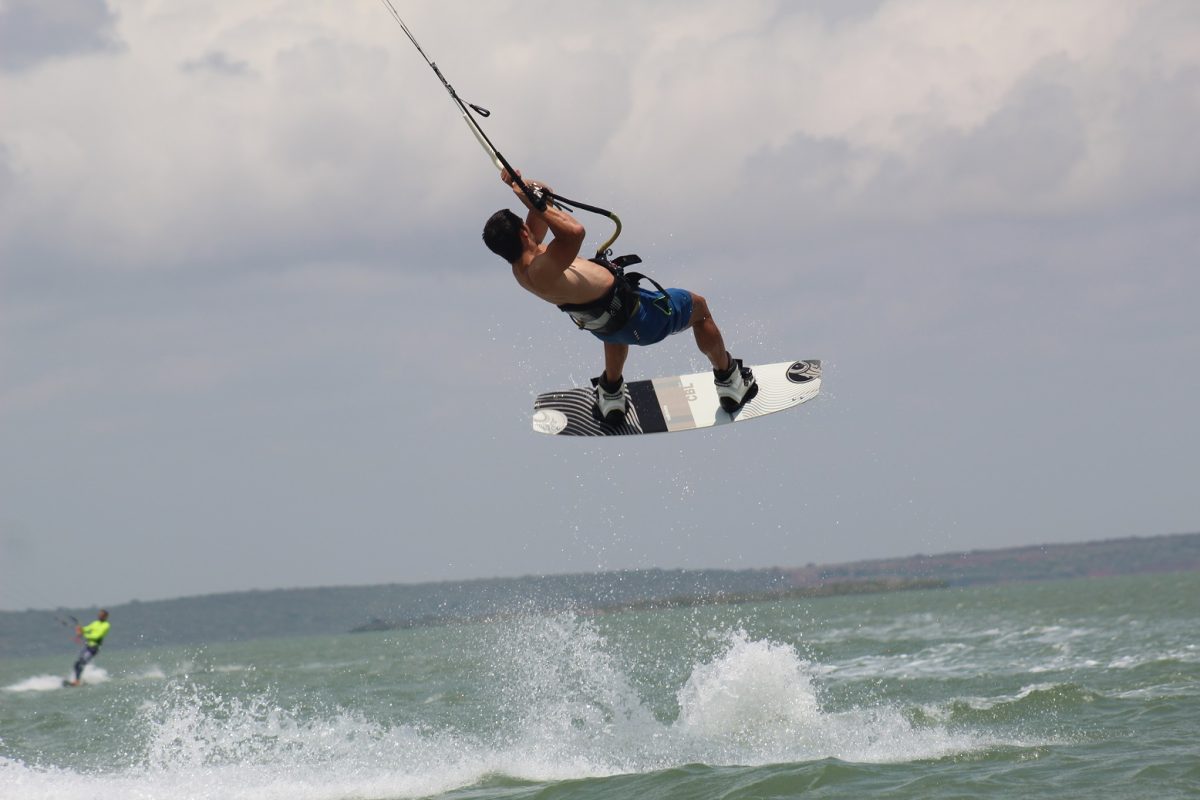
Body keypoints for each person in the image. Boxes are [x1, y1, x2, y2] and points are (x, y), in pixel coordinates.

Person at [482, 170, 757, 422]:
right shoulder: (540, 269)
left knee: (611, 323)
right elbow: (574, 233)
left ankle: (611, 393)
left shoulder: (525, 264)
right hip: (642, 319)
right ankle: (729, 380)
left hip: (607, 323)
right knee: (699, 308)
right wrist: (530, 200)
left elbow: (546, 198)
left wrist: (520, 185)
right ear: (523, 232)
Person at [69, 609, 110, 686]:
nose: (99, 616)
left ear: (105, 616)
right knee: (77, 663)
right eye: (99, 614)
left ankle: (77, 681)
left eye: (101, 615)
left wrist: (84, 635)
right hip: (87, 647)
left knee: (82, 662)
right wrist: (80, 629)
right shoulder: (95, 623)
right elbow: (86, 629)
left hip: (94, 648)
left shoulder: (106, 625)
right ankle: (77, 680)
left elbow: (98, 636)